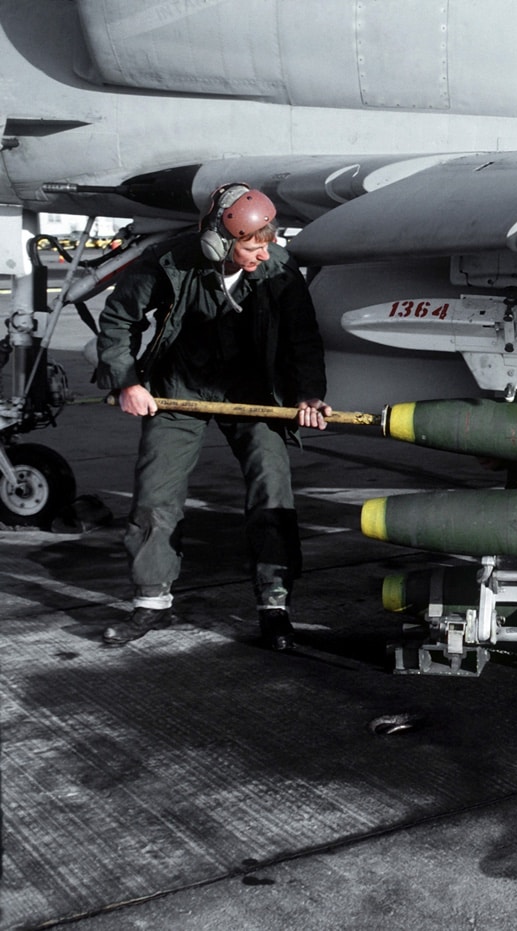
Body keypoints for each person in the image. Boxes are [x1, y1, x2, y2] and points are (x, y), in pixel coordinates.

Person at [94, 183, 331, 650]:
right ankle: (151, 602)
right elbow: (119, 319)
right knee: (155, 493)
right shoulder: (170, 262)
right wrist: (128, 382)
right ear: (219, 242)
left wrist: (309, 396)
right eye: (251, 246)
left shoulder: (280, 269)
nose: (263, 255)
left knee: (272, 486)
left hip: (255, 395)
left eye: (267, 244)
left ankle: (275, 602)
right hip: (178, 393)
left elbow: (304, 340)